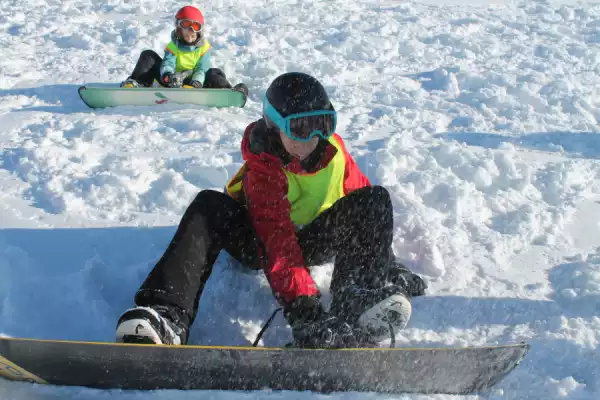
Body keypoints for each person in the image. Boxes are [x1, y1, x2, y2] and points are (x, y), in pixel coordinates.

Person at [115, 72, 427, 348]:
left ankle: (356, 304)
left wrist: (388, 262)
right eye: (300, 128)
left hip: (310, 240)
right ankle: (166, 314)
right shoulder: (264, 168)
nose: (313, 138)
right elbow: (276, 240)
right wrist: (303, 306)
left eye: (323, 123)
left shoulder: (334, 151)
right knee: (207, 205)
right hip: (259, 242)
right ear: (274, 125)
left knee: (375, 198)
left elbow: (362, 208)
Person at [120, 5, 247, 95]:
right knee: (148, 55)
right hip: (171, 80)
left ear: (199, 31)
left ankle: (229, 93)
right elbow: (168, 62)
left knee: (215, 73)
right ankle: (136, 83)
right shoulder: (173, 45)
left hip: (193, 82)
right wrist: (167, 76)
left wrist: (196, 82)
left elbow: (201, 68)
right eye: (186, 32)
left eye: (194, 30)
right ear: (179, 30)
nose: (190, 36)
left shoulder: (204, 48)